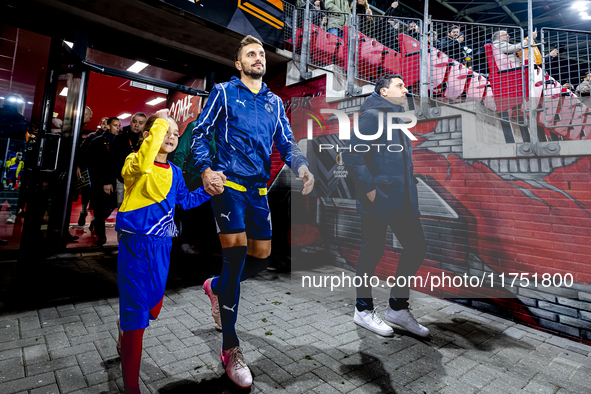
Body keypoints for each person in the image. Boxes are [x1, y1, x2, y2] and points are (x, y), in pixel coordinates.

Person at [191, 35, 315, 388]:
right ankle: (231, 349)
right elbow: (200, 134)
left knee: (261, 258)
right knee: (236, 256)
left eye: (261, 54)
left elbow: (286, 143)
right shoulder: (224, 93)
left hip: (259, 192)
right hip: (228, 187)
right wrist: (205, 169)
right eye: (250, 54)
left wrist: (302, 167)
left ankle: (216, 287)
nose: (258, 58)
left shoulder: (275, 103)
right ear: (238, 63)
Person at [116, 109, 214, 394]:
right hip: (134, 245)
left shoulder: (176, 172)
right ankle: (131, 386)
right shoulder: (134, 162)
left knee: (153, 305)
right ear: (148, 135)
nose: (171, 136)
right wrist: (157, 126)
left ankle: (124, 325)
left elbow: (185, 200)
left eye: (175, 133)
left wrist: (209, 190)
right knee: (137, 319)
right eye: (163, 130)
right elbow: (144, 162)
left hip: (162, 247)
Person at [343, 74, 429, 338]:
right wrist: (369, 190)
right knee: (372, 252)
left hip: (401, 199)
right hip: (378, 198)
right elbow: (351, 154)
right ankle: (363, 310)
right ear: (383, 91)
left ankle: (397, 308)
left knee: (417, 247)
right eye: (399, 85)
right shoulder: (372, 116)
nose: (406, 89)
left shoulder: (395, 117)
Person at [85, 117, 120, 245]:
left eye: (119, 125)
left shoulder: (120, 141)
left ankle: (96, 222)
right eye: (115, 125)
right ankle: (101, 235)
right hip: (100, 181)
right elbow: (91, 161)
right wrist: (104, 181)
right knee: (101, 207)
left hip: (115, 181)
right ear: (109, 126)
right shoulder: (97, 141)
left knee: (112, 206)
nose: (117, 127)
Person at [76, 116, 109, 226]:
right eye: (103, 123)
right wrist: (80, 166)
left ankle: (94, 220)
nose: (105, 125)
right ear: (100, 124)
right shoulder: (92, 136)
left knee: (98, 196)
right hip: (89, 169)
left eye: (107, 123)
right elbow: (82, 151)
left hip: (102, 172)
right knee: (87, 191)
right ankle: (83, 211)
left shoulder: (111, 138)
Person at [111, 112, 147, 207]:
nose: (136, 125)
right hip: (122, 180)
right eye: (134, 122)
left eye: (140, 123)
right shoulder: (119, 138)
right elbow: (111, 160)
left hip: (140, 181)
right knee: (122, 208)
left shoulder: (147, 140)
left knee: (136, 210)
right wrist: (108, 181)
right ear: (130, 123)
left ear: (144, 125)